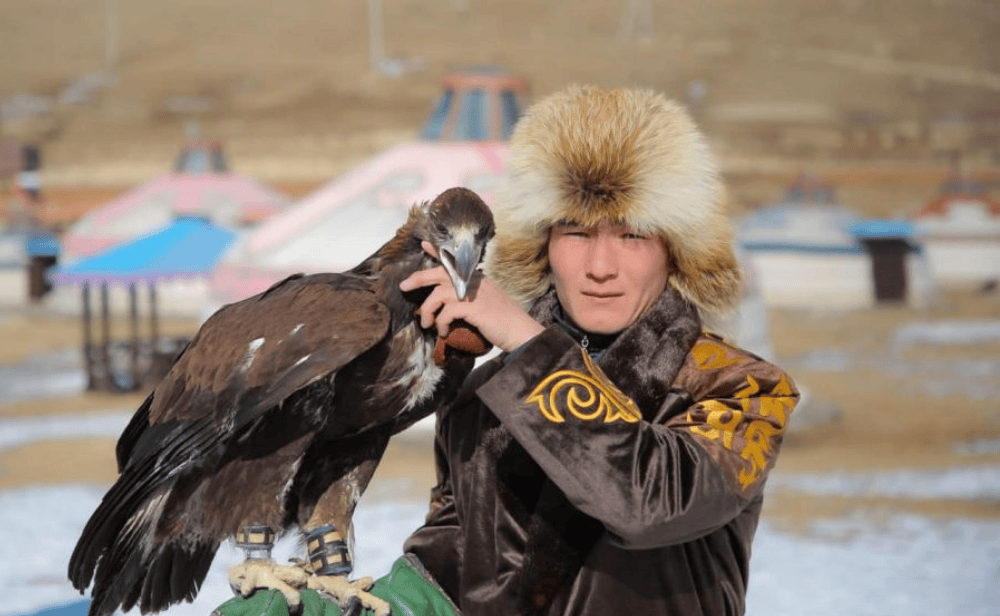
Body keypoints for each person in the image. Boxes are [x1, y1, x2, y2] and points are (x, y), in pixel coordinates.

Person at [215, 84, 799, 616]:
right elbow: (450, 575)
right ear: (544, 244)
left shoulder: (741, 388)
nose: (600, 267)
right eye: (575, 232)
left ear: (674, 249)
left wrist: (525, 342)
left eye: (632, 235)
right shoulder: (481, 395)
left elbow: (646, 504)